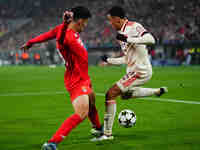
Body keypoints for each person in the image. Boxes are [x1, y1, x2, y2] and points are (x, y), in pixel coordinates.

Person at [21, 7, 102, 150]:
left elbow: (47, 35)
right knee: (82, 112)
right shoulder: (66, 35)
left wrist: (31, 42)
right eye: (86, 22)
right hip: (76, 79)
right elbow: (62, 39)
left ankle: (98, 128)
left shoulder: (64, 31)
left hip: (84, 76)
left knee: (91, 100)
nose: (86, 25)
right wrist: (65, 24)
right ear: (80, 21)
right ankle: (52, 142)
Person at [92, 6, 168, 141]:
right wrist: (109, 60)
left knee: (111, 93)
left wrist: (129, 39)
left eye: (111, 20)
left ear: (117, 19)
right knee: (125, 95)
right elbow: (126, 59)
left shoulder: (133, 26)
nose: (110, 24)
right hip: (133, 70)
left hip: (140, 71)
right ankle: (157, 91)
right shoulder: (120, 34)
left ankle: (107, 134)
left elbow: (151, 39)